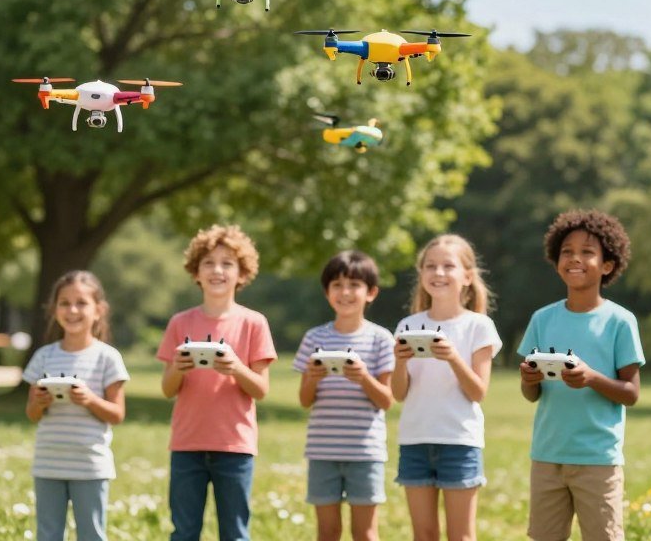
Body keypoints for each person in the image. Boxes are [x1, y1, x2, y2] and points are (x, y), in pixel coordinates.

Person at [519, 209, 645, 541]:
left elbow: (631, 393)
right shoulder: (541, 319)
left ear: (607, 265)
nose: (575, 258)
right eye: (567, 252)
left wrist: (592, 378)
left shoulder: (620, 321)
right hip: (547, 456)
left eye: (587, 252)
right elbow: (532, 394)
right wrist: (529, 380)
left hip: (597, 459)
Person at [157, 224, 277, 541]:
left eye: (227, 263)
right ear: (196, 272)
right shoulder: (180, 323)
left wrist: (236, 367)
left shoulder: (254, 323)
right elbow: (168, 389)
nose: (217, 270)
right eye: (208, 262)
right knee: (183, 532)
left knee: (235, 533)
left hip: (234, 446)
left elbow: (261, 390)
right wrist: (180, 369)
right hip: (186, 445)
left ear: (242, 273)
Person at [391, 233, 502, 541]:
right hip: (415, 440)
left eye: (448, 266)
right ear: (421, 274)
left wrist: (453, 357)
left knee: (461, 536)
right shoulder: (407, 326)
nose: (438, 273)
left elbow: (477, 392)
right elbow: (398, 394)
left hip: (459, 442)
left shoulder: (479, 326)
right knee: (423, 534)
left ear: (467, 276)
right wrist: (399, 361)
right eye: (430, 266)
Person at [293, 250, 396, 541]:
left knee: (365, 532)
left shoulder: (380, 339)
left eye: (354, 285)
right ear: (327, 293)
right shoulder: (314, 338)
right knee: (328, 531)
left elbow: (387, 400)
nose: (346, 292)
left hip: (365, 453)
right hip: (322, 451)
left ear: (371, 292)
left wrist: (363, 377)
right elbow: (304, 400)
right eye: (337, 285)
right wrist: (313, 378)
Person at [23, 270, 129, 541]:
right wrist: (40, 402)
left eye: (81, 303)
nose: (72, 310)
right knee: (48, 534)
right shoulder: (43, 357)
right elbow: (32, 414)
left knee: (92, 534)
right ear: (54, 309)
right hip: (48, 462)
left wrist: (90, 400)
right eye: (64, 303)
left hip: (90, 465)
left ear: (99, 310)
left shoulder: (107, 358)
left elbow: (117, 414)